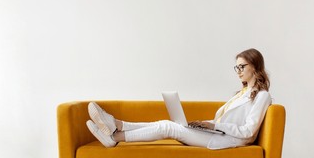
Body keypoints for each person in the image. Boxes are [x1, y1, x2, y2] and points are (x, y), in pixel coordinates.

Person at [86, 48, 272, 150]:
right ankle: (118, 124)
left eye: (242, 66)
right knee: (166, 123)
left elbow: (248, 132)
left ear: (255, 67)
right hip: (216, 134)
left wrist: (214, 126)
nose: (238, 71)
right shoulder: (240, 94)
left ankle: (115, 135)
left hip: (229, 141)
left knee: (168, 127)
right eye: (236, 67)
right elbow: (223, 122)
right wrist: (206, 124)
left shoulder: (262, 96)